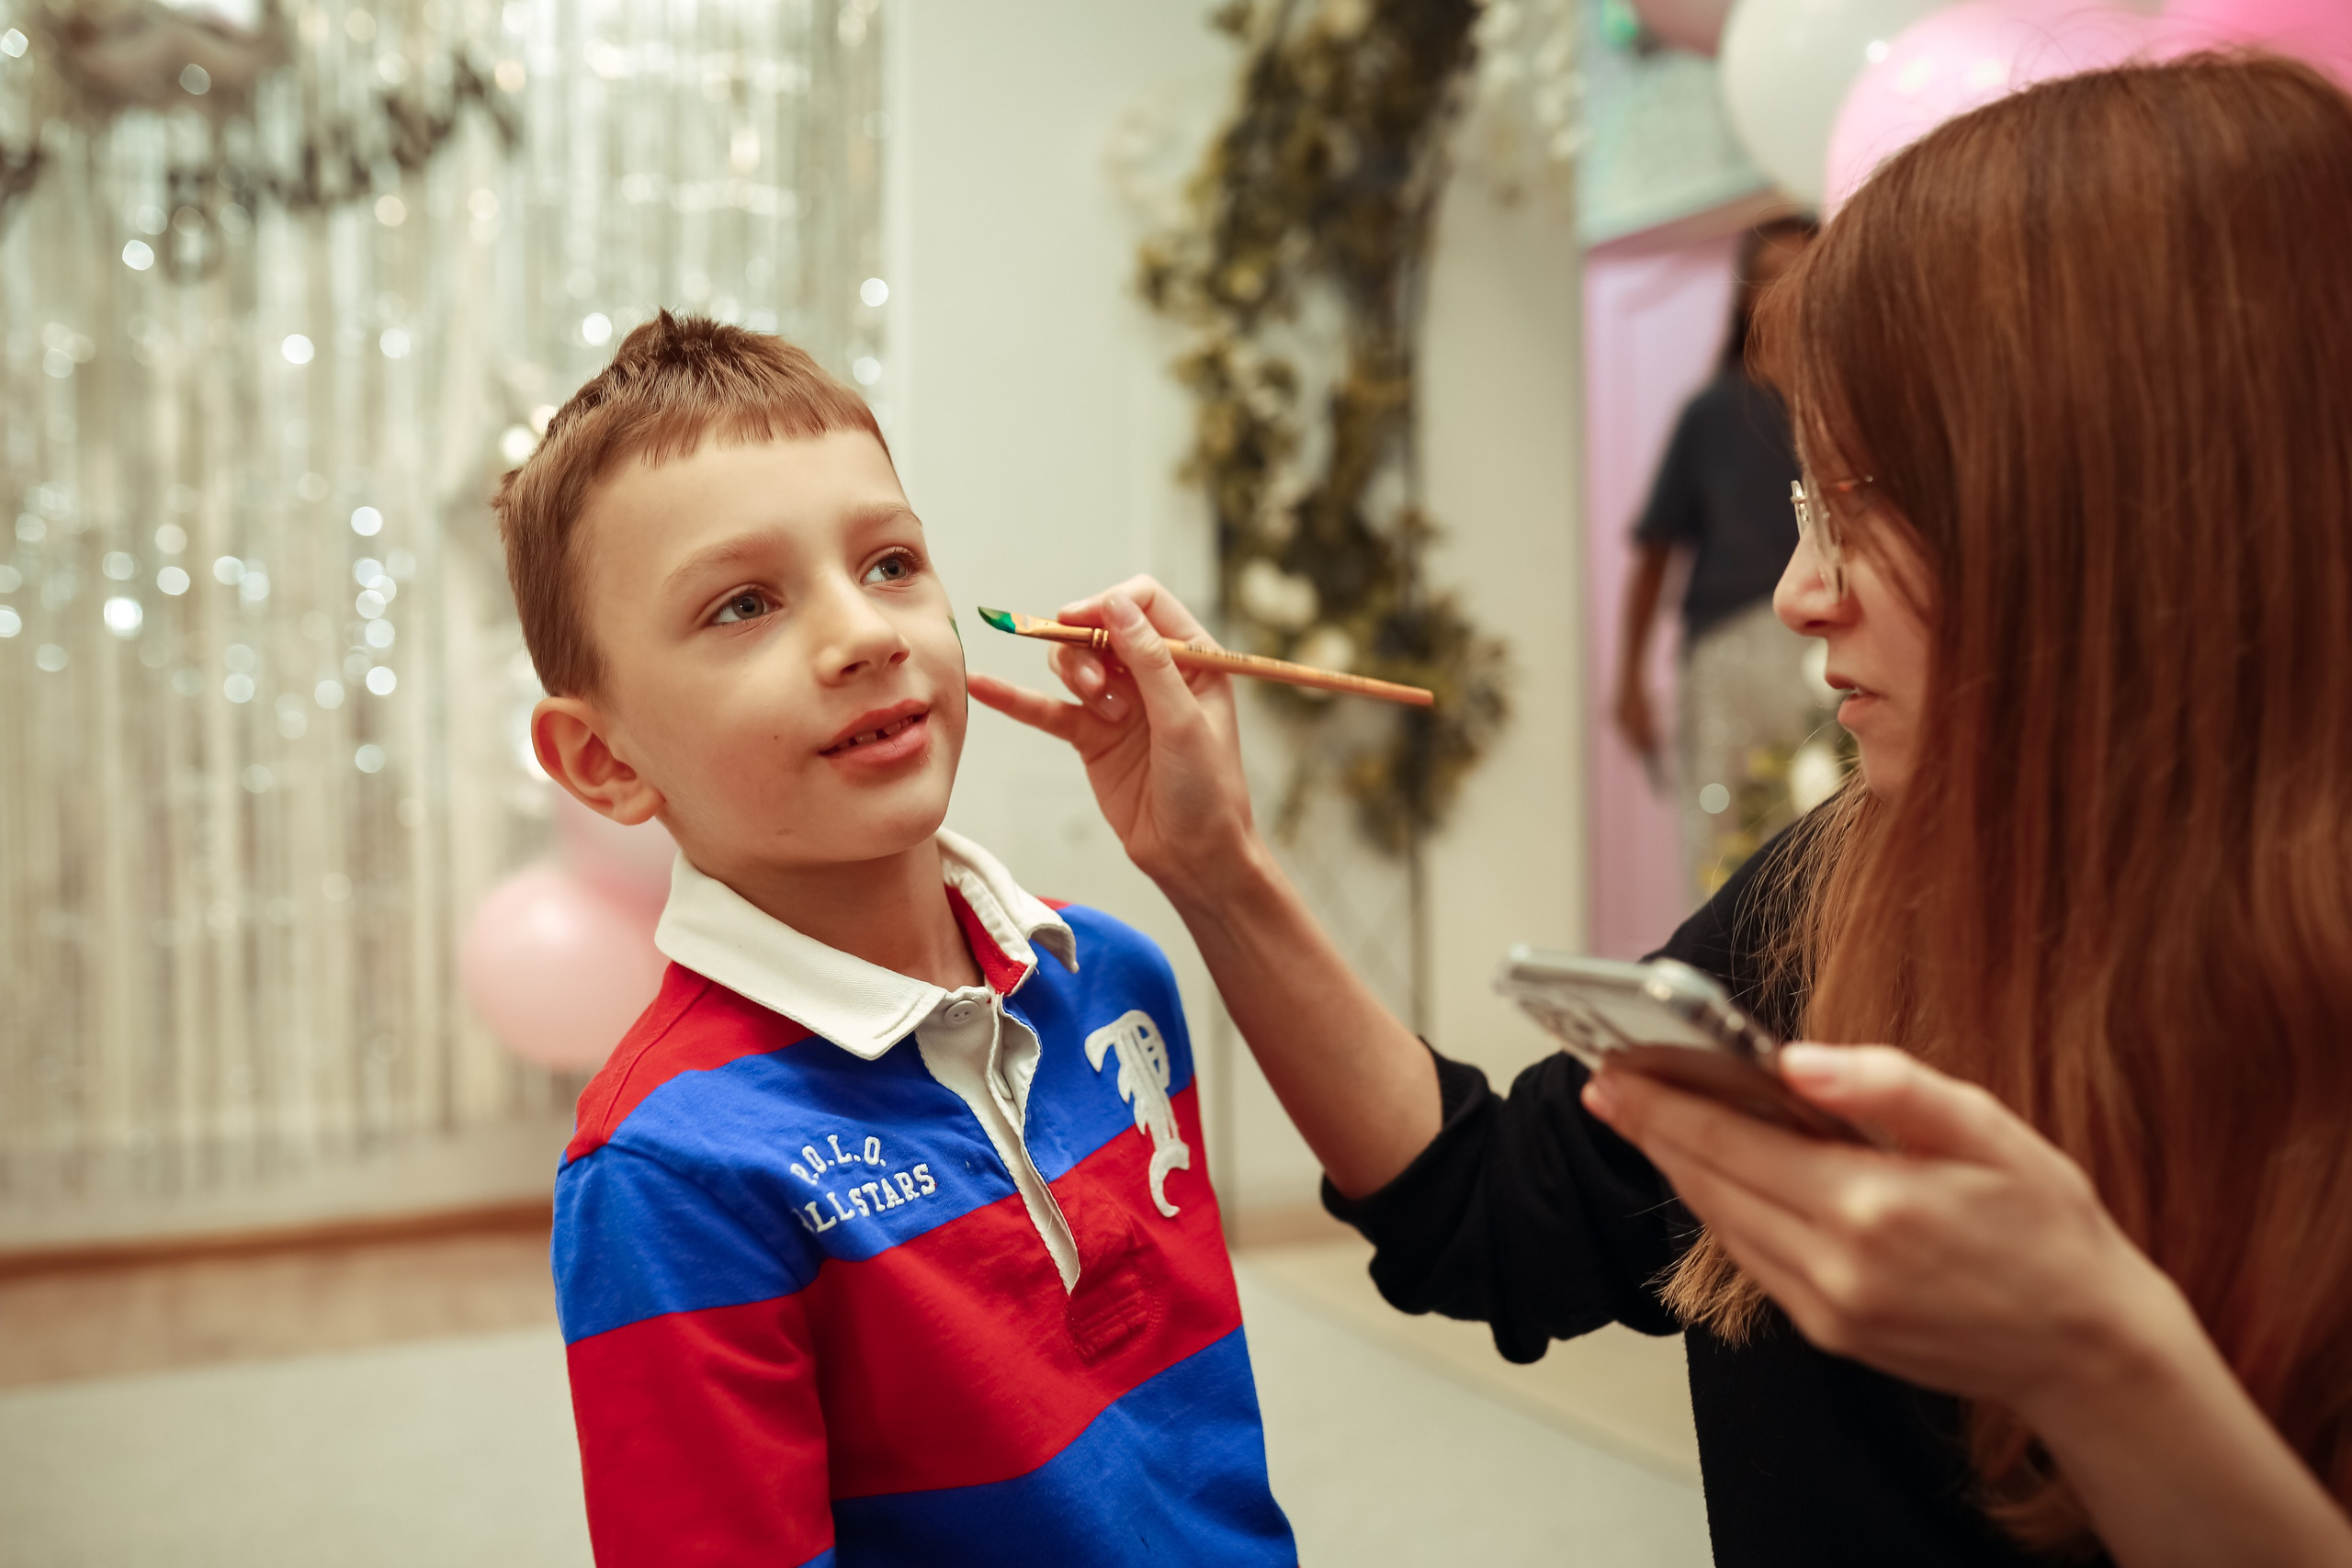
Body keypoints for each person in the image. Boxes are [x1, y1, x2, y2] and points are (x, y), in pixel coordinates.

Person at [974, 56, 2352, 1568]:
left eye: (1873, 506)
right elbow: (1493, 1208)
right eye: (1809, 506)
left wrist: (2099, 1358)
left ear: (2136, 505)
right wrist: (1213, 861)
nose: (1799, 593)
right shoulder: (1848, 883)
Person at [499, 314, 1295, 1565]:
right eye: (744, 603)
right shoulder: (671, 1169)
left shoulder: (1113, 978)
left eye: (888, 564)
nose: (868, 633)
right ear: (603, 759)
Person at [1614, 214, 1830, 897]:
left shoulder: (1844, 407)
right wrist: (1629, 681)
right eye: (1768, 277)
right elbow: (1654, 551)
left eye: (1800, 275)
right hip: (1725, 657)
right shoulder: (1709, 415)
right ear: (1744, 297)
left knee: (1819, 827)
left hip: (1826, 654)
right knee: (1722, 831)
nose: (1783, 293)